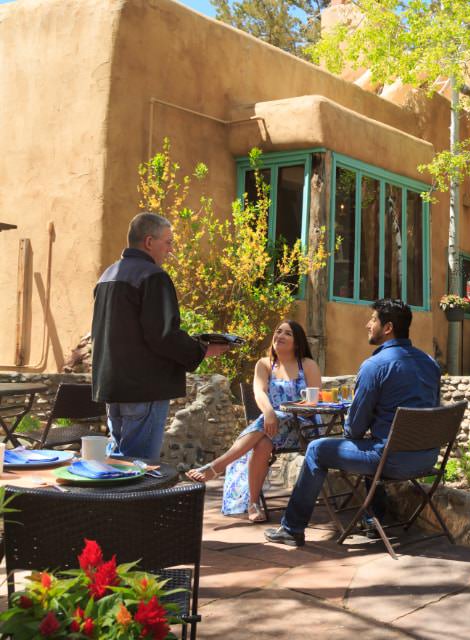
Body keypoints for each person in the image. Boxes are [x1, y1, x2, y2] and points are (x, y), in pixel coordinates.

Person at [265, 298, 441, 547]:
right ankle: (373, 518)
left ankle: (292, 529)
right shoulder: (430, 364)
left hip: (391, 460)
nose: (368, 325)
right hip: (426, 457)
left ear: (388, 327)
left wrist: (355, 427)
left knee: (317, 449)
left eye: (373, 319)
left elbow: (354, 428)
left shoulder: (374, 366)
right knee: (375, 442)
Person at [92, 212, 228, 460]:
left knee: (118, 468)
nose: (171, 249)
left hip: (114, 388)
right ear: (148, 241)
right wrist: (202, 349)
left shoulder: (107, 276)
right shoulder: (153, 276)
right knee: (138, 472)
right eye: (168, 242)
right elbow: (162, 335)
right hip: (144, 389)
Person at [187, 320, 322, 522]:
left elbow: (315, 401)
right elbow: (259, 392)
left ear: (297, 342)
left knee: (278, 418)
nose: (280, 336)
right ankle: (253, 503)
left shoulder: (308, 365)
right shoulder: (265, 364)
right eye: (278, 332)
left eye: (287, 334)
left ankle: (216, 466)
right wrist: (269, 412)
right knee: (262, 443)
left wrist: (281, 413)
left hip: (302, 428)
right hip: (270, 428)